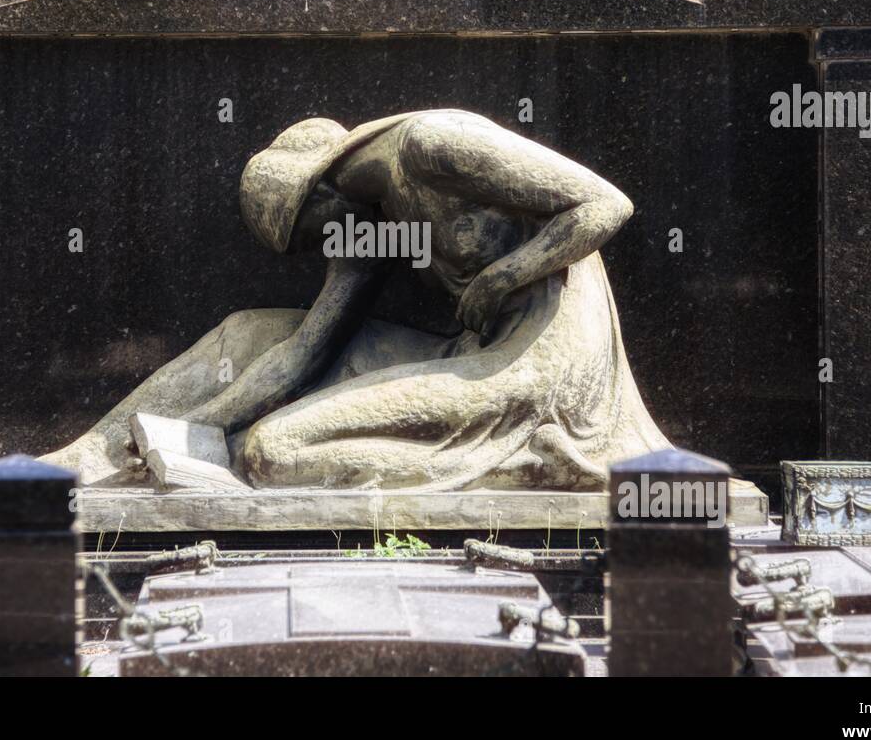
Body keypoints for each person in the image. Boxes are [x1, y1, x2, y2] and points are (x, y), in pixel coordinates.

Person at [41, 109, 672, 490]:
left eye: (304, 236)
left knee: (271, 452)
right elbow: (304, 352)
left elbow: (605, 205)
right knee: (248, 330)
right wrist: (187, 431)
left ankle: (533, 459)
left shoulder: (432, 143)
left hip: (543, 365)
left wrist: (501, 278)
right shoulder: (365, 222)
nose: (317, 249)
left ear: (316, 193)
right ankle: (88, 459)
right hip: (471, 349)